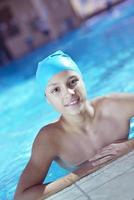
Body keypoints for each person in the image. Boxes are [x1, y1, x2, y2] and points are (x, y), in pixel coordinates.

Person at [14, 50, 134, 200]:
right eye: (56, 90)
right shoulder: (50, 138)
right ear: (48, 100)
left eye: (73, 82)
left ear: (83, 80)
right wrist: (79, 174)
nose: (69, 93)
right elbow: (21, 196)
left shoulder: (114, 106)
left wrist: (128, 146)